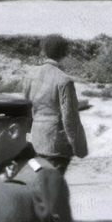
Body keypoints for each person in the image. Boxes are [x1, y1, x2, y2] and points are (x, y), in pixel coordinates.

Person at [22, 35, 88, 174]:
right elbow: (69, 117)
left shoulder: (31, 74)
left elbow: (25, 106)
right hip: (56, 143)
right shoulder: (64, 80)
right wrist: (77, 146)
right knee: (54, 183)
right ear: (64, 54)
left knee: (39, 178)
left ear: (44, 51)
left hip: (36, 138)